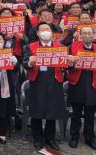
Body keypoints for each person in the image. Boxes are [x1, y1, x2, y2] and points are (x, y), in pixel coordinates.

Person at [23, 22, 73, 151]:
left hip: (55, 81)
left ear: (51, 32)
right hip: (37, 81)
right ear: (38, 33)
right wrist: (30, 62)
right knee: (36, 111)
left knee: (52, 111)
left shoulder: (60, 46)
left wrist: (70, 62)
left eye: (47, 29)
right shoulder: (30, 46)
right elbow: (24, 63)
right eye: (42, 30)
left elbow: (67, 65)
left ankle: (50, 138)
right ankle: (38, 138)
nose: (45, 31)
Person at [67, 26, 96, 151]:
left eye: (90, 33)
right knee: (76, 113)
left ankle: (89, 138)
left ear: (94, 35)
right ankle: (74, 136)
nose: (87, 35)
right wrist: (71, 62)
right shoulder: (72, 47)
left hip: (93, 84)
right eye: (84, 33)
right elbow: (65, 66)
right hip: (77, 84)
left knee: (90, 114)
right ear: (80, 35)